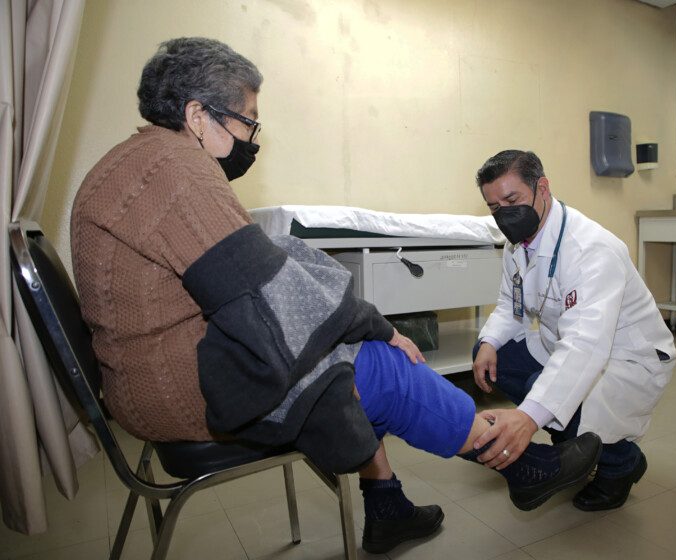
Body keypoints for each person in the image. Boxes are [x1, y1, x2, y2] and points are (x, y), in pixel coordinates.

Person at [70, 39, 602, 554]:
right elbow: (268, 291)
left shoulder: (132, 160)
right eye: (248, 121)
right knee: (377, 365)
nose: (253, 137)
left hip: (140, 379)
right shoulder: (177, 170)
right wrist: (377, 326)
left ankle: (387, 503)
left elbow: (253, 266)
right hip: (180, 386)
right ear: (197, 115)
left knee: (341, 358)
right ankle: (520, 466)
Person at [471, 150, 676, 511]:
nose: (504, 214)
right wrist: (488, 341)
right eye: (493, 207)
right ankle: (582, 443)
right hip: (563, 344)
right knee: (492, 357)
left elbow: (587, 343)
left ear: (543, 188)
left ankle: (621, 464)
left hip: (625, 357)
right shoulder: (517, 244)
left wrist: (529, 416)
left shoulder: (592, 249)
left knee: (548, 396)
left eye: (512, 200)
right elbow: (510, 304)